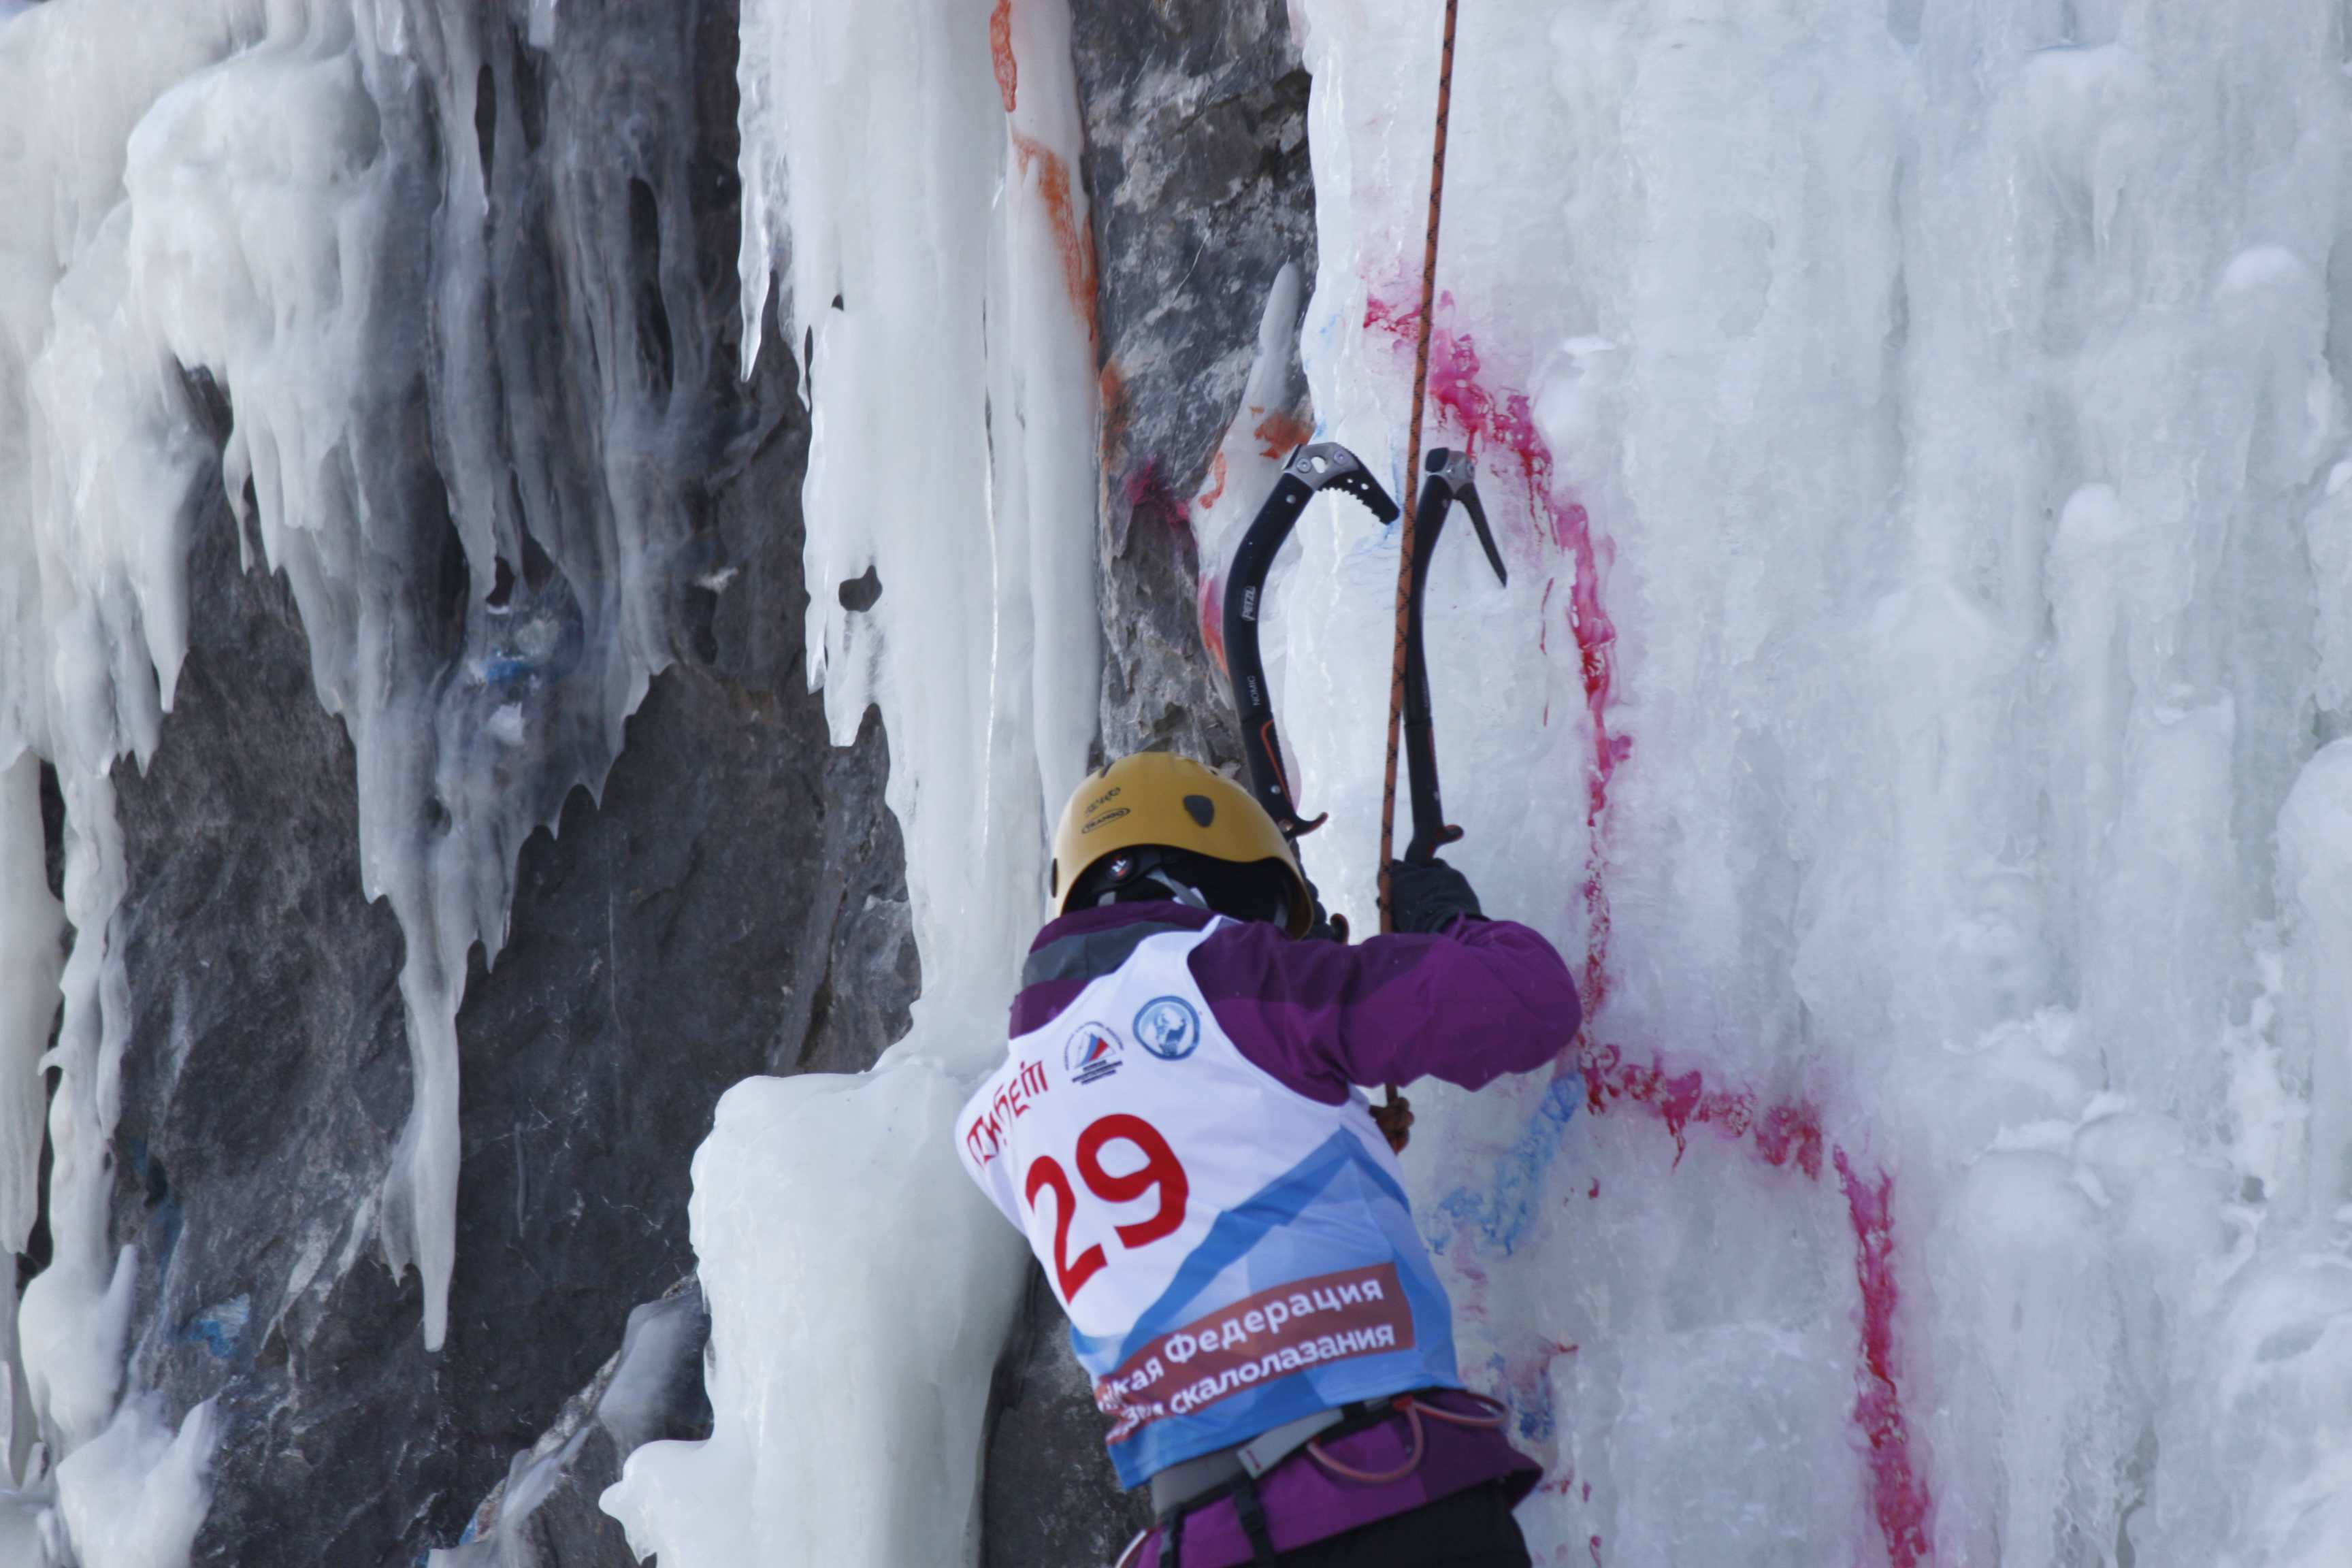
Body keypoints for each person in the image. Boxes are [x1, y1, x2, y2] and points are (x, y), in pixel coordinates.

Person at [955, 752, 1582, 1567]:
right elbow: (1526, 1002)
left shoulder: (994, 1125)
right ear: (1212, 886)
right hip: (1375, 1502)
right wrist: (1450, 922)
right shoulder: (1225, 978)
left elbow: (1200, 1172)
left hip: (1195, 1543)